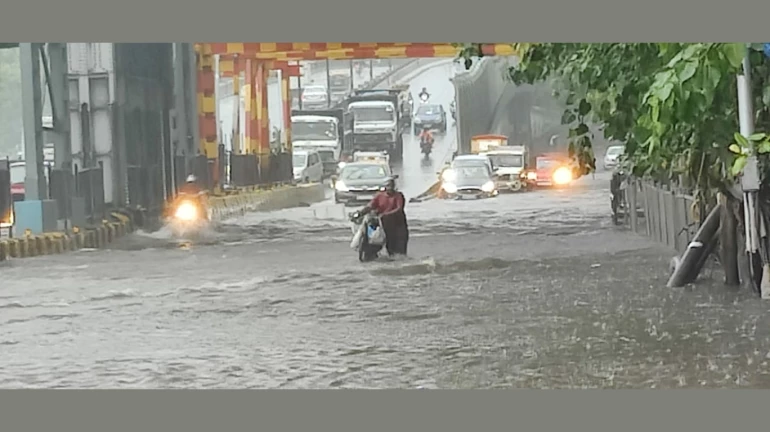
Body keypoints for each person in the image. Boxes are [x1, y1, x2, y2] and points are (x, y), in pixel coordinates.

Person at [360, 177, 409, 256]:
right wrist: (360, 213)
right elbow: (370, 205)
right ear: (385, 187)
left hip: (398, 226)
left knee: (398, 251)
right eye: (388, 185)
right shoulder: (379, 196)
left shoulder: (398, 196)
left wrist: (385, 214)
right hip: (384, 226)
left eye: (392, 185)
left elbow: (399, 208)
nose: (390, 188)